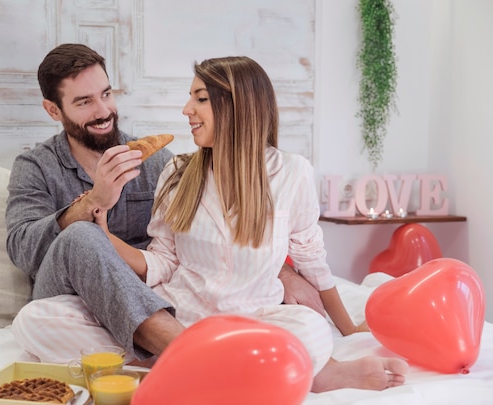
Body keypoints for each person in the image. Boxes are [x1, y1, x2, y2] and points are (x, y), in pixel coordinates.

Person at [90, 56, 409, 392]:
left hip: (255, 319)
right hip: (181, 319)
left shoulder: (292, 172)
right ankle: (298, 374)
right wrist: (103, 234)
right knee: (46, 321)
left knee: (312, 330)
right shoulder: (179, 171)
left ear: (237, 105)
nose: (186, 109)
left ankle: (195, 369)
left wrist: (347, 329)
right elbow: (163, 261)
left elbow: (311, 262)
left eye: (200, 98)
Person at [6, 44, 321, 367]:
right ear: (53, 110)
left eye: (106, 94)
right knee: (76, 246)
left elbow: (204, 237)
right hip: (74, 299)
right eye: (84, 102)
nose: (103, 111)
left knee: (307, 331)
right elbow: (23, 251)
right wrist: (93, 202)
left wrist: (282, 269)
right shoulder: (35, 166)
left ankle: (163, 355)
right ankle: (199, 357)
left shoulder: (157, 161)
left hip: (150, 303)